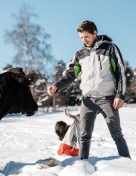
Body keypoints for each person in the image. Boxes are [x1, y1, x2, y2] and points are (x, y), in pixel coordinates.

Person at [47, 20, 130, 160]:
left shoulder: (110, 48)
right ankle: (82, 165)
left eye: (86, 36)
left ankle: (128, 164)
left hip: (108, 98)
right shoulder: (80, 54)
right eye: (81, 37)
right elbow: (70, 74)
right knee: (84, 136)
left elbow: (120, 72)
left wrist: (120, 95)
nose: (84, 40)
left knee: (116, 134)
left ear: (94, 33)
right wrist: (57, 86)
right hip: (88, 100)